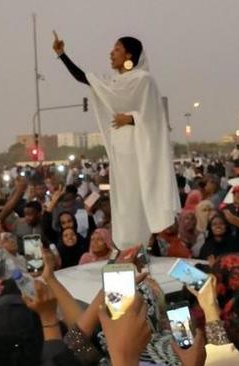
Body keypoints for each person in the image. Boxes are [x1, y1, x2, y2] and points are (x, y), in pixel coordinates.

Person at [54, 32, 180, 249]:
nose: (111, 53)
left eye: (117, 49)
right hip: (120, 153)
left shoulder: (144, 80)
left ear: (129, 55)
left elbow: (156, 118)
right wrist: (62, 54)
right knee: (124, 201)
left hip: (139, 152)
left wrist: (131, 119)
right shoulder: (113, 83)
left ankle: (141, 245)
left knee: (138, 199)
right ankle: (127, 247)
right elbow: (85, 78)